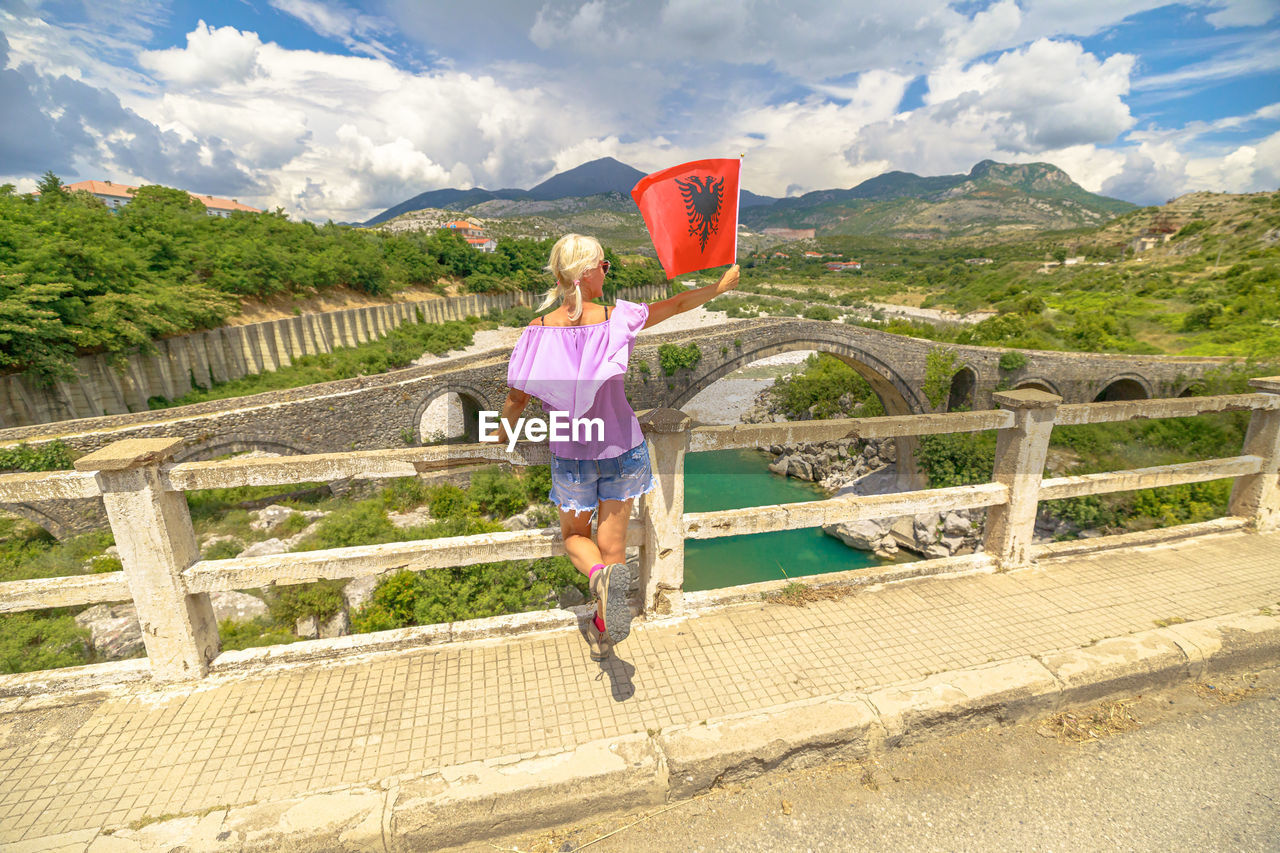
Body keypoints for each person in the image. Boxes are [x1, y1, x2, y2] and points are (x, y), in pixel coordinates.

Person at [499, 234, 739, 660]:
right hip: (623, 449)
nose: (608, 273)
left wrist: (501, 437)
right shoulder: (619, 317)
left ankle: (597, 580)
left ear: (558, 276)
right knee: (613, 549)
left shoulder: (537, 332)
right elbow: (679, 304)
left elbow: (517, 401)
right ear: (588, 272)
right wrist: (718, 288)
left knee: (576, 537)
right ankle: (604, 629)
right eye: (605, 266)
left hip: (573, 453)